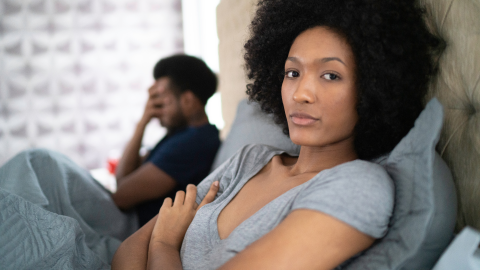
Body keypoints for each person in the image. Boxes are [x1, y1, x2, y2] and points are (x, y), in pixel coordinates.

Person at [112, 0, 440, 269]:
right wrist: (156, 241)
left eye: (330, 75)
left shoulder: (359, 186)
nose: (301, 93)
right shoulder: (249, 159)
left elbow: (157, 237)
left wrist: (165, 245)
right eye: (293, 72)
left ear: (374, 89)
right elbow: (126, 251)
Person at [112, 54, 221, 226]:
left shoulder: (191, 143)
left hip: (135, 231)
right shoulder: (181, 135)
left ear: (188, 100)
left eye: (161, 103)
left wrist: (143, 123)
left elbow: (121, 197)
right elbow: (123, 176)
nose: (155, 110)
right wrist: (143, 122)